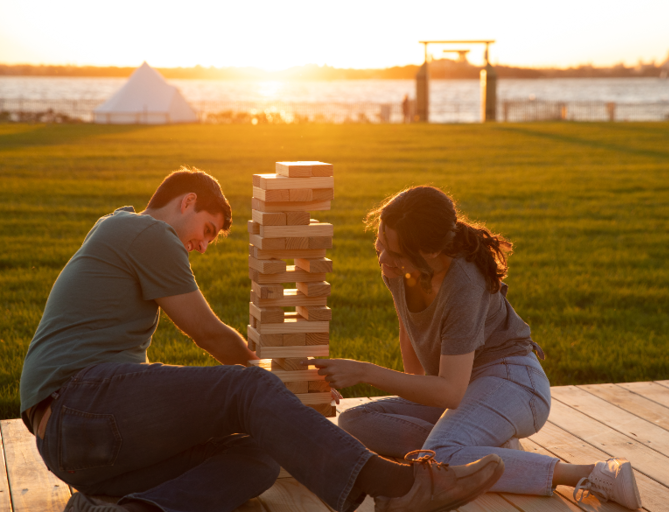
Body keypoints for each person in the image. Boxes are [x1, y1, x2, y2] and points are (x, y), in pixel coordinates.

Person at [19, 168, 506, 512]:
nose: (203, 245)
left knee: (257, 458)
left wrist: (282, 407)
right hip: (77, 405)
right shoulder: (146, 231)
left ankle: (133, 511)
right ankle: (399, 485)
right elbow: (210, 334)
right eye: (206, 229)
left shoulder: (116, 229)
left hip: (84, 453)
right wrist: (282, 389)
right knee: (245, 388)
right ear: (186, 202)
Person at [306, 186, 643, 510]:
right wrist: (406, 388)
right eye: (380, 243)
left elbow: (450, 392)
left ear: (430, 251)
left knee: (442, 456)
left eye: (394, 252)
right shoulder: (400, 268)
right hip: (467, 388)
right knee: (355, 421)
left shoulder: (464, 283)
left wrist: (363, 371)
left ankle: (589, 473)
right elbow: (411, 340)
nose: (382, 256)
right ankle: (485, 447)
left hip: (515, 383)